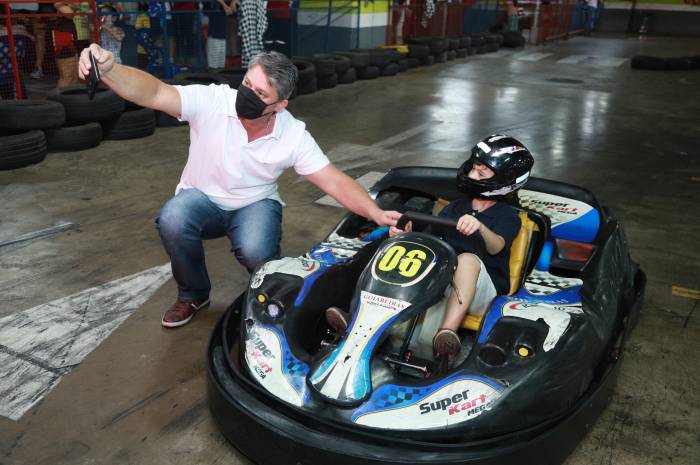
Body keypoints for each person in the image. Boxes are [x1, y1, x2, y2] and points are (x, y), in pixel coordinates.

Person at [77, 45, 402, 328]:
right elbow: (155, 93)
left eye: (260, 94)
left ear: (280, 105)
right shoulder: (214, 100)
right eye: (248, 84)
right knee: (173, 218)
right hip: (202, 198)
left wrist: (375, 212)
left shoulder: (292, 134)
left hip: (254, 204)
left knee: (257, 252)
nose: (247, 95)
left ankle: (269, 292)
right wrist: (111, 69)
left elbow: (332, 179)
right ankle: (193, 295)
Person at [326, 135, 534, 359]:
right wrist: (406, 236)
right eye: (474, 168)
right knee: (397, 249)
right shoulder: (456, 207)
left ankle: (446, 333)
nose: (473, 175)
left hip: (483, 295)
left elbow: (497, 246)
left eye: (481, 174)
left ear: (505, 182)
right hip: (444, 282)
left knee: (467, 260)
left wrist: (480, 228)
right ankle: (358, 321)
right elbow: (430, 242)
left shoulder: (508, 216)